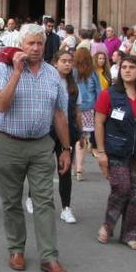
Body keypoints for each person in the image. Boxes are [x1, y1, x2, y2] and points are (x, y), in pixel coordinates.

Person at [0, 23, 72, 272]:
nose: (35, 48)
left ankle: (49, 256)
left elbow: (59, 114)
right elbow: (0, 105)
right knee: (12, 200)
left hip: (40, 145)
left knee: (45, 200)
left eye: (39, 43)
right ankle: (16, 249)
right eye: (30, 44)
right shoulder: (2, 70)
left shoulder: (52, 75)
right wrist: (16, 72)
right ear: (21, 45)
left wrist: (66, 149)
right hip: (9, 143)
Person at [94, 55, 136, 250]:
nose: (127, 70)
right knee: (121, 187)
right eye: (124, 67)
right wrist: (100, 152)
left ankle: (130, 234)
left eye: (132, 67)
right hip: (116, 150)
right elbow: (99, 122)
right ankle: (108, 225)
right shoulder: (109, 94)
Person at [49, 50, 81, 224]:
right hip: (47, 132)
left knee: (65, 171)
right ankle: (33, 197)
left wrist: (82, 133)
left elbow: (77, 110)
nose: (68, 64)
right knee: (43, 169)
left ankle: (66, 208)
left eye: (70, 61)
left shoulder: (73, 85)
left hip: (67, 134)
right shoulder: (48, 80)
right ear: (55, 62)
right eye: (64, 61)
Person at [72, 47, 100, 182]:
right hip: (89, 108)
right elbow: (99, 91)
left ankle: (73, 165)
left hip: (73, 108)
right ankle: (79, 168)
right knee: (82, 139)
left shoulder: (72, 72)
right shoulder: (93, 73)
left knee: (72, 137)